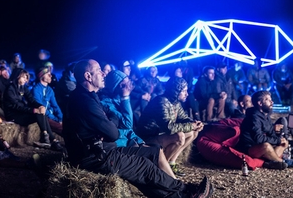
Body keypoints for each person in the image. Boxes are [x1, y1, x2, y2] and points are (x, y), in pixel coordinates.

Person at [62, 59, 213, 198]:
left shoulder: (89, 97)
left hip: (105, 149)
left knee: (153, 152)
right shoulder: (85, 101)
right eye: (99, 70)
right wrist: (108, 124)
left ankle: (177, 195)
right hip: (96, 157)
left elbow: (113, 125)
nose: (103, 74)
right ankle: (187, 191)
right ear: (88, 76)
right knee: (144, 167)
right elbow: (114, 133)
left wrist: (108, 123)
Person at [137, 77, 204, 176]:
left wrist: (194, 123)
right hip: (148, 138)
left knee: (193, 132)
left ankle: (171, 163)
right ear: (176, 91)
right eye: (184, 91)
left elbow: (183, 118)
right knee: (179, 136)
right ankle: (161, 167)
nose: (187, 94)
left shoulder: (175, 102)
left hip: (160, 134)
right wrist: (190, 126)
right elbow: (169, 128)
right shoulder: (161, 102)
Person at [3, 68, 64, 151]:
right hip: (13, 115)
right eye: (24, 77)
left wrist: (40, 106)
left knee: (41, 112)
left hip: (21, 113)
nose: (26, 79)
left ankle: (50, 139)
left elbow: (32, 100)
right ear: (17, 77)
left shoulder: (23, 87)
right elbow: (17, 107)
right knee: (38, 113)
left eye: (26, 77)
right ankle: (49, 139)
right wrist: (33, 110)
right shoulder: (10, 89)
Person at [236, 91, 293, 170]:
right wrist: (277, 141)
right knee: (266, 146)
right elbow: (259, 139)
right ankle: (282, 161)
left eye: (271, 99)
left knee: (284, 143)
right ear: (260, 103)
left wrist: (279, 139)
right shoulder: (253, 117)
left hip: (259, 145)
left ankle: (271, 162)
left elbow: (271, 132)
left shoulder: (266, 115)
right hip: (249, 148)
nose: (271, 102)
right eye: (267, 100)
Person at [97, 70, 144, 147]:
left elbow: (129, 131)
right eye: (125, 84)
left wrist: (140, 141)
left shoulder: (117, 99)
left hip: (129, 139)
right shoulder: (106, 103)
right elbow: (127, 124)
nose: (129, 86)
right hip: (121, 144)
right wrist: (125, 97)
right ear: (118, 86)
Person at [32, 67, 63, 135]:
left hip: (52, 115)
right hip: (45, 117)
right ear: (41, 76)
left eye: (50, 74)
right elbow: (41, 108)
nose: (50, 76)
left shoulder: (50, 90)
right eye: (48, 74)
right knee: (63, 129)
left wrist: (60, 118)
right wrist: (55, 119)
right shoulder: (36, 90)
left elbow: (55, 105)